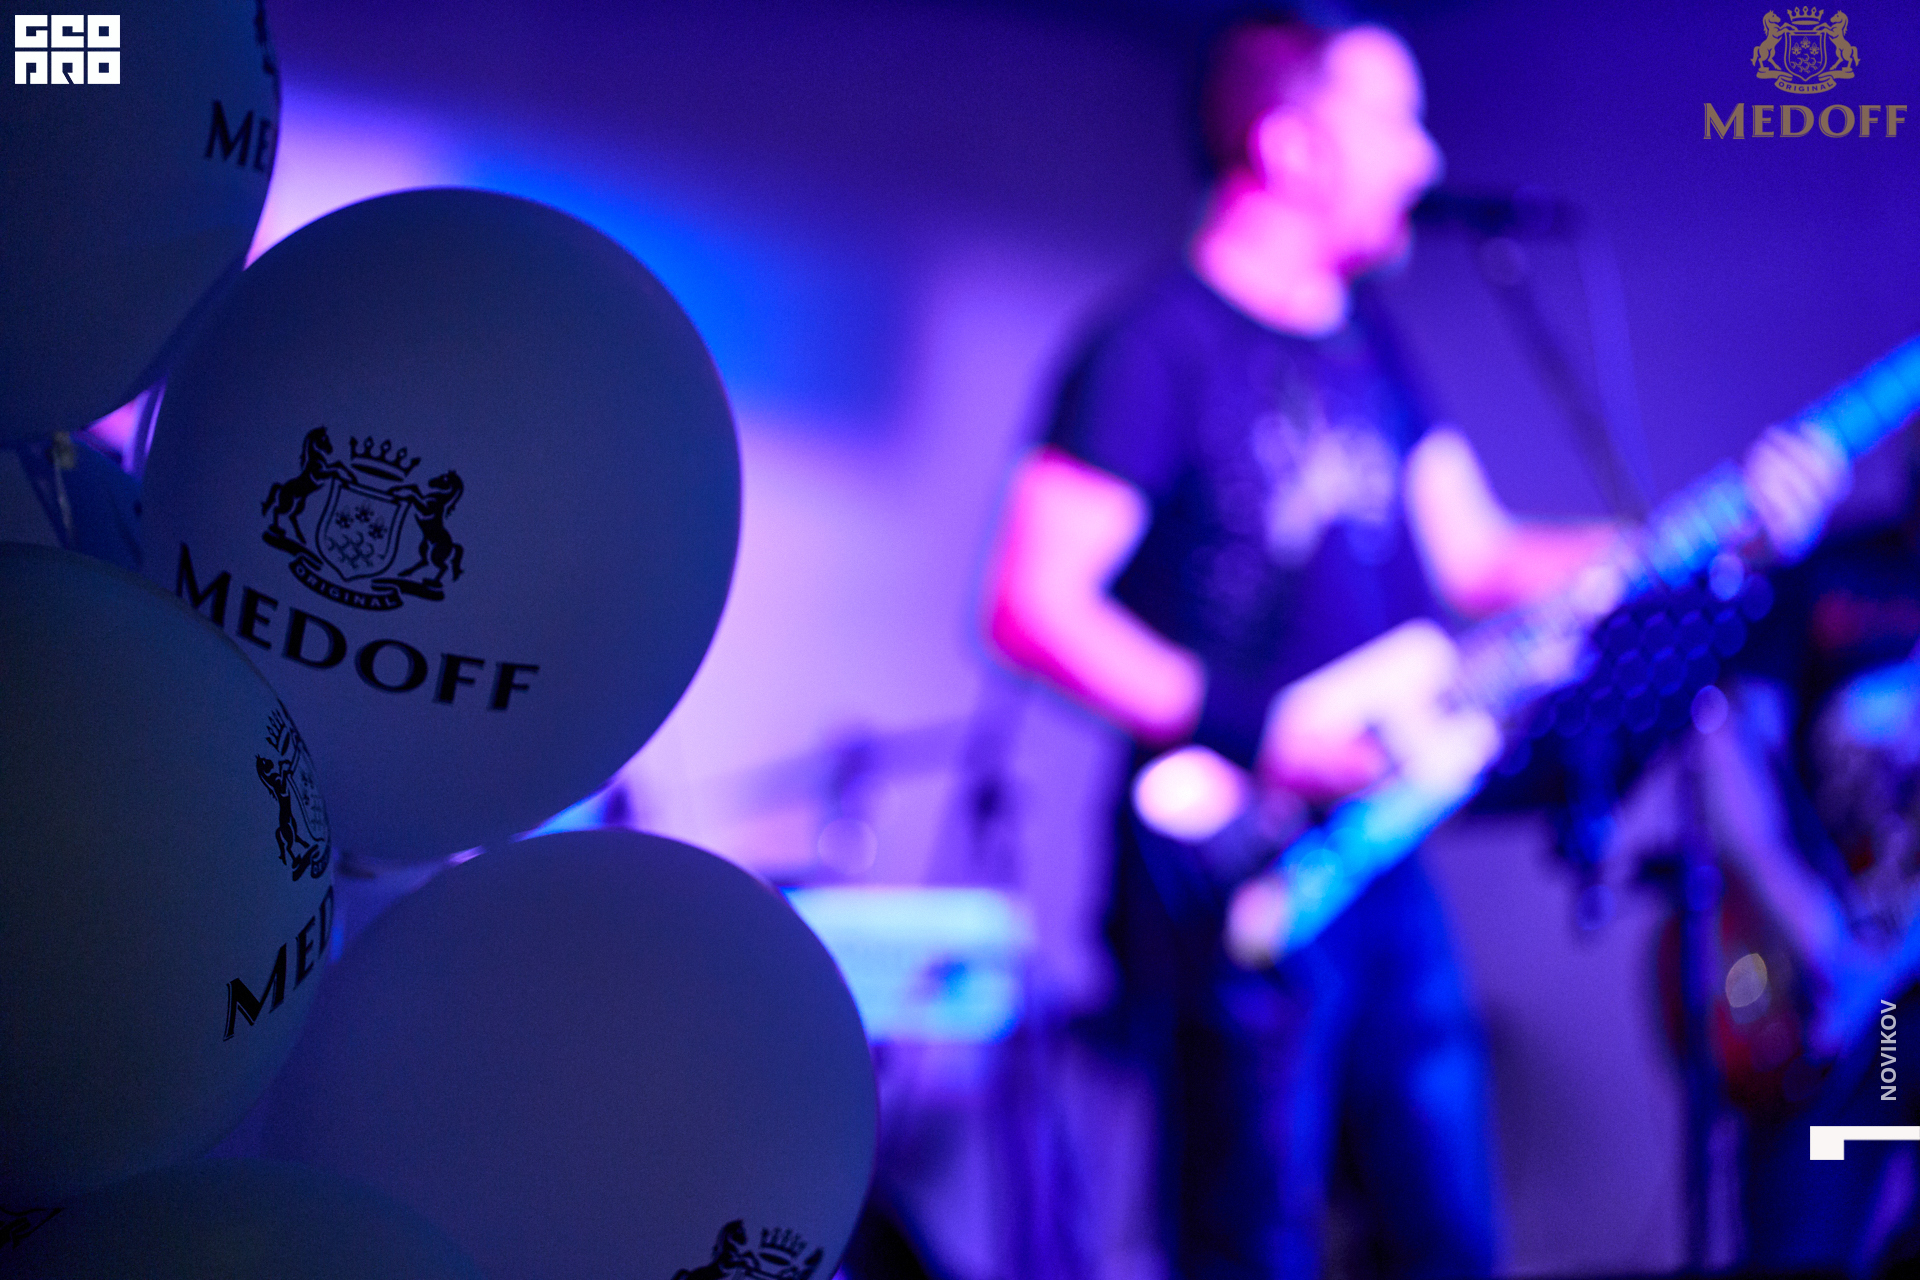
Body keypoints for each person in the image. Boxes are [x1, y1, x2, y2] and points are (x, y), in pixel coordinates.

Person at [981, 12, 1847, 1278]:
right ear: (1288, 146)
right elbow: (1032, 602)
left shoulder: (1366, 344)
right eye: (1393, 121)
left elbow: (1480, 558)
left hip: (1383, 850)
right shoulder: (1153, 348)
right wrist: (1261, 732)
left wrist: (1723, 524)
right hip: (1230, 859)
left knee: (1451, 1229)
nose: (1427, 159)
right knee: (1252, 1237)